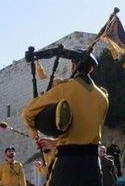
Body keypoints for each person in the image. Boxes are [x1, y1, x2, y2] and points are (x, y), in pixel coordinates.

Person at [22, 51, 109, 186]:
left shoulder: (64, 88)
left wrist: (34, 131)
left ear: (73, 66)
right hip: (92, 163)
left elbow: (28, 112)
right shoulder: (103, 97)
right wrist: (52, 143)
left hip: (68, 164)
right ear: (91, 68)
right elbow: (83, 134)